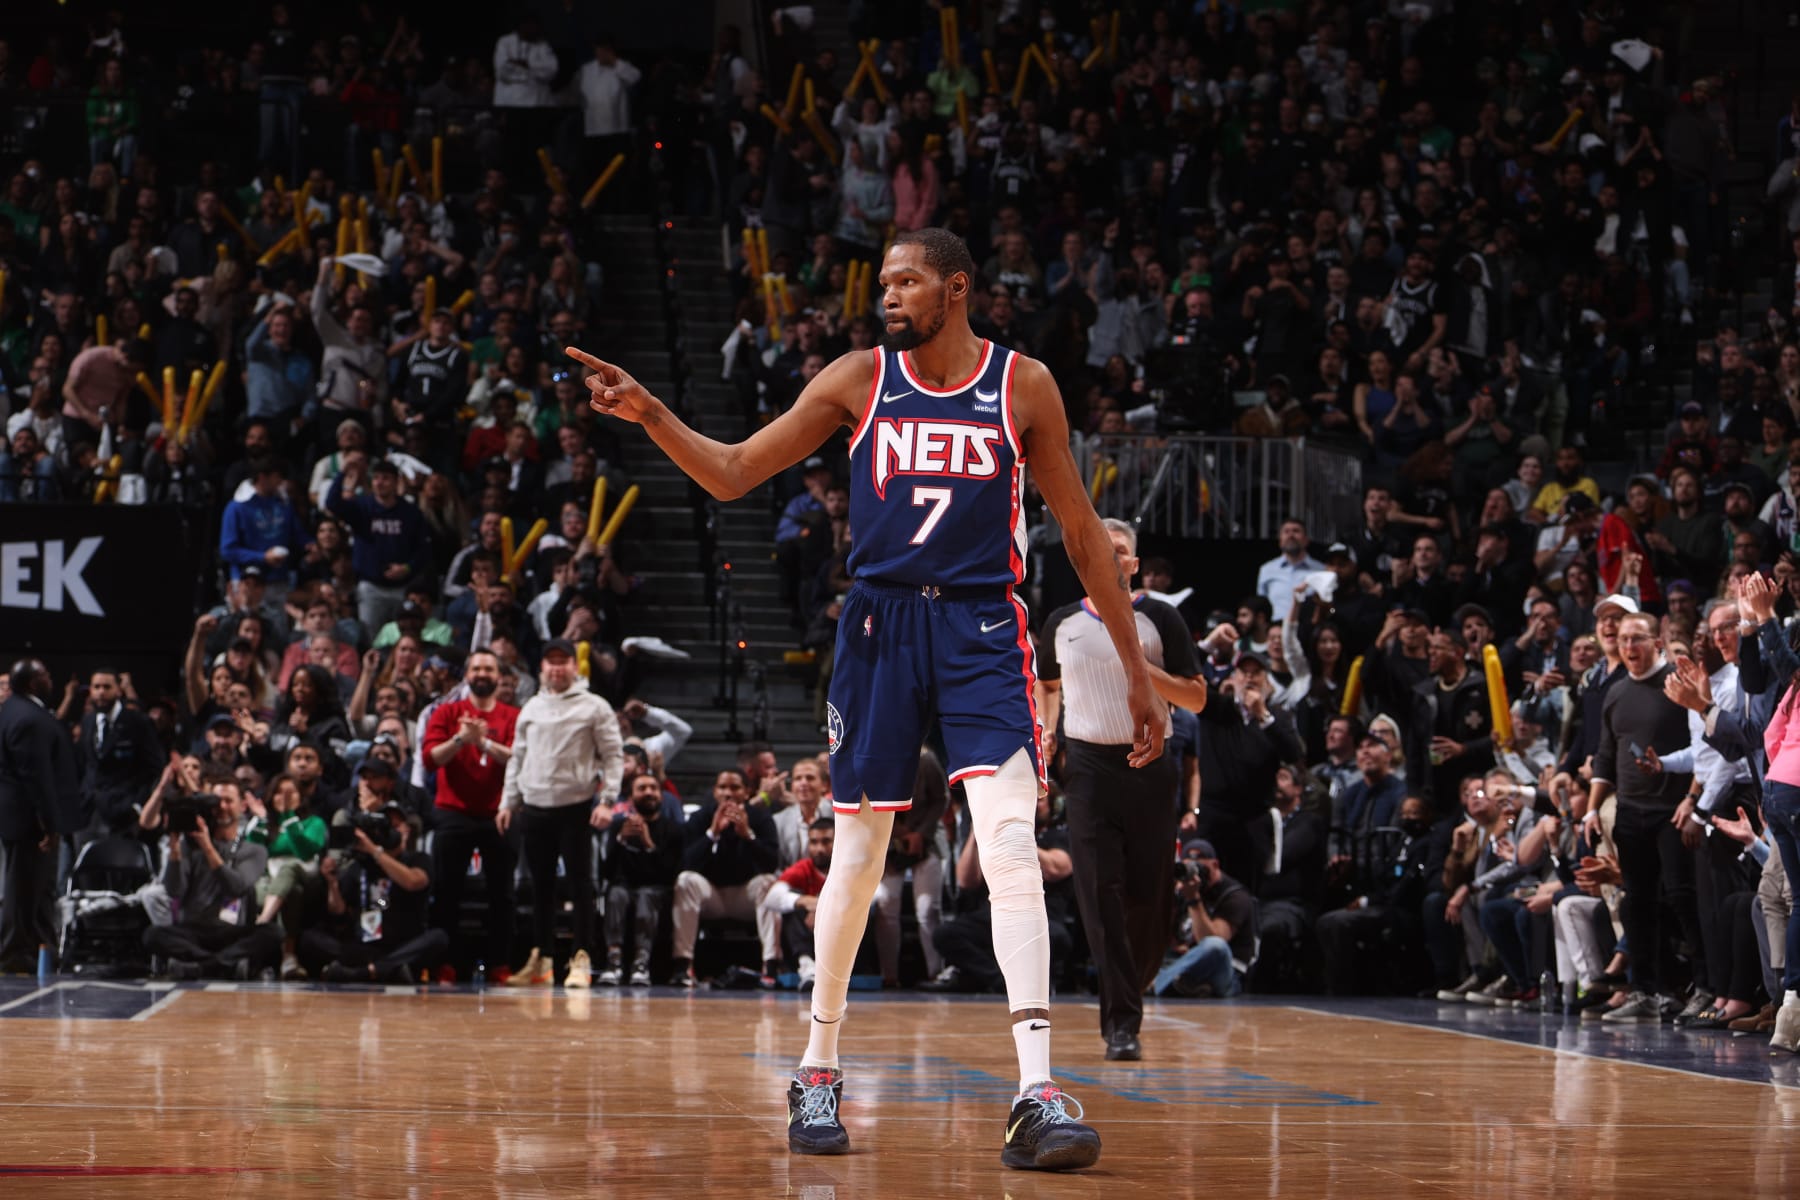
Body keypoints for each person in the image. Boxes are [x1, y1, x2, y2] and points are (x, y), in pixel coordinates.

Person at [568, 227, 1163, 1169]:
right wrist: (650, 414)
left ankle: (1036, 1093)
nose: (887, 295)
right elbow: (731, 473)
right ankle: (817, 1069)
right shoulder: (856, 379)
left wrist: (1135, 671)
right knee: (859, 851)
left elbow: (1085, 535)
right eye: (883, 281)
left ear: (956, 289)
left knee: (1008, 841)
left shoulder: (1024, 385)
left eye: (908, 280)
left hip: (980, 626)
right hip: (880, 625)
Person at [1036, 518, 1207, 1060]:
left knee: (1148, 897)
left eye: (1123, 551)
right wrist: (1046, 728)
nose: (1113, 558)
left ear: (1134, 565)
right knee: (1098, 892)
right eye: (1102, 549)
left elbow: (1198, 697)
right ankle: (1121, 1025)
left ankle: (1131, 984)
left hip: (1152, 768)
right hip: (1086, 766)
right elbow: (1046, 682)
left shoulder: (1160, 617)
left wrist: (1138, 669)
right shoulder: (1061, 622)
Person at [1583, 611, 1702, 1021]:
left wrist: (1693, 799)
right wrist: (1591, 809)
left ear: (1658, 641)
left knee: (1683, 899)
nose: (1629, 647)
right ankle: (1645, 990)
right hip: (1630, 812)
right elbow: (1606, 756)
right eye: (1624, 640)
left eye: (1638, 639)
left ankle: (1702, 987)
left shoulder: (1676, 684)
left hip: (1672, 811)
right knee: (1637, 904)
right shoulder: (1615, 693)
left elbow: (1702, 748)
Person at [498, 639, 624, 989]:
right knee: (540, 887)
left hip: (577, 806)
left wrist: (608, 800)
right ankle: (542, 959)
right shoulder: (531, 707)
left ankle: (581, 958)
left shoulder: (594, 706)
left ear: (574, 666)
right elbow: (517, 757)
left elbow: (614, 756)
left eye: (563, 661)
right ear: (542, 668)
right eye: (550, 662)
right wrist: (508, 801)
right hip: (535, 806)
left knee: (581, 885)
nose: (556, 668)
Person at [421, 650, 519, 983]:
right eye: (475, 667)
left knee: (502, 894)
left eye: (488, 668)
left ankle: (500, 965)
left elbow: (520, 759)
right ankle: (444, 963)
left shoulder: (513, 716)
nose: (481, 673)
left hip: (498, 812)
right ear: (466, 674)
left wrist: (485, 743)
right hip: (453, 811)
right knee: (447, 891)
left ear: (499, 676)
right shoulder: (447, 712)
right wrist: (462, 739)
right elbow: (431, 759)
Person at [303, 802, 446, 983]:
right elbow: (338, 911)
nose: (391, 832)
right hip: (364, 944)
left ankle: (364, 972)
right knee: (310, 938)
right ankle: (384, 970)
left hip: (401, 944)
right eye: (387, 827)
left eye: (396, 826)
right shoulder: (362, 864)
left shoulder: (417, 859)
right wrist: (332, 884)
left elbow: (413, 881)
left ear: (407, 830)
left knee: (438, 938)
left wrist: (374, 851)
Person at [0, 660, 81, 972]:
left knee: (29, 887)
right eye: (46, 675)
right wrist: (49, 822)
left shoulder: (12, 710)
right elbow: (36, 775)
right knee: (24, 888)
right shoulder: (30, 718)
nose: (51, 679)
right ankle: (15, 953)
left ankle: (37, 950)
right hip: (29, 820)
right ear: (33, 682)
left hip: (19, 818)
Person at [670, 768, 781, 985]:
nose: (728, 793)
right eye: (722, 787)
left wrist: (747, 835)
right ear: (714, 791)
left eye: (735, 787)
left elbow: (771, 863)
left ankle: (772, 965)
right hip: (713, 895)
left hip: (745, 895)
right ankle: (683, 965)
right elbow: (685, 862)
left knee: (769, 883)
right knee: (685, 881)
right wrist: (712, 834)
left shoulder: (760, 818)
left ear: (747, 791)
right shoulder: (701, 817)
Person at [598, 771, 683, 986]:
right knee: (616, 893)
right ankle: (614, 961)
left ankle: (641, 963)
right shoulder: (619, 826)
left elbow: (669, 872)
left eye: (653, 788)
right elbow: (606, 871)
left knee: (647, 895)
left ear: (661, 795)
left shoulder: (673, 829)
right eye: (642, 789)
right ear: (631, 797)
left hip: (656, 889)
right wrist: (620, 840)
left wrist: (648, 843)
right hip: (624, 886)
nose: (649, 793)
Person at [1152, 840, 1257, 998]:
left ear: (1215, 865)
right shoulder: (1182, 889)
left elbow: (1210, 940)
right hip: (1184, 963)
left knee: (1215, 946)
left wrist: (1193, 899)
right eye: (1190, 868)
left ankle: (1156, 983)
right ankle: (1179, 983)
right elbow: (1163, 937)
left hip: (1225, 972)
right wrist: (1171, 897)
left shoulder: (1235, 896)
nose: (1196, 874)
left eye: (1200, 868)